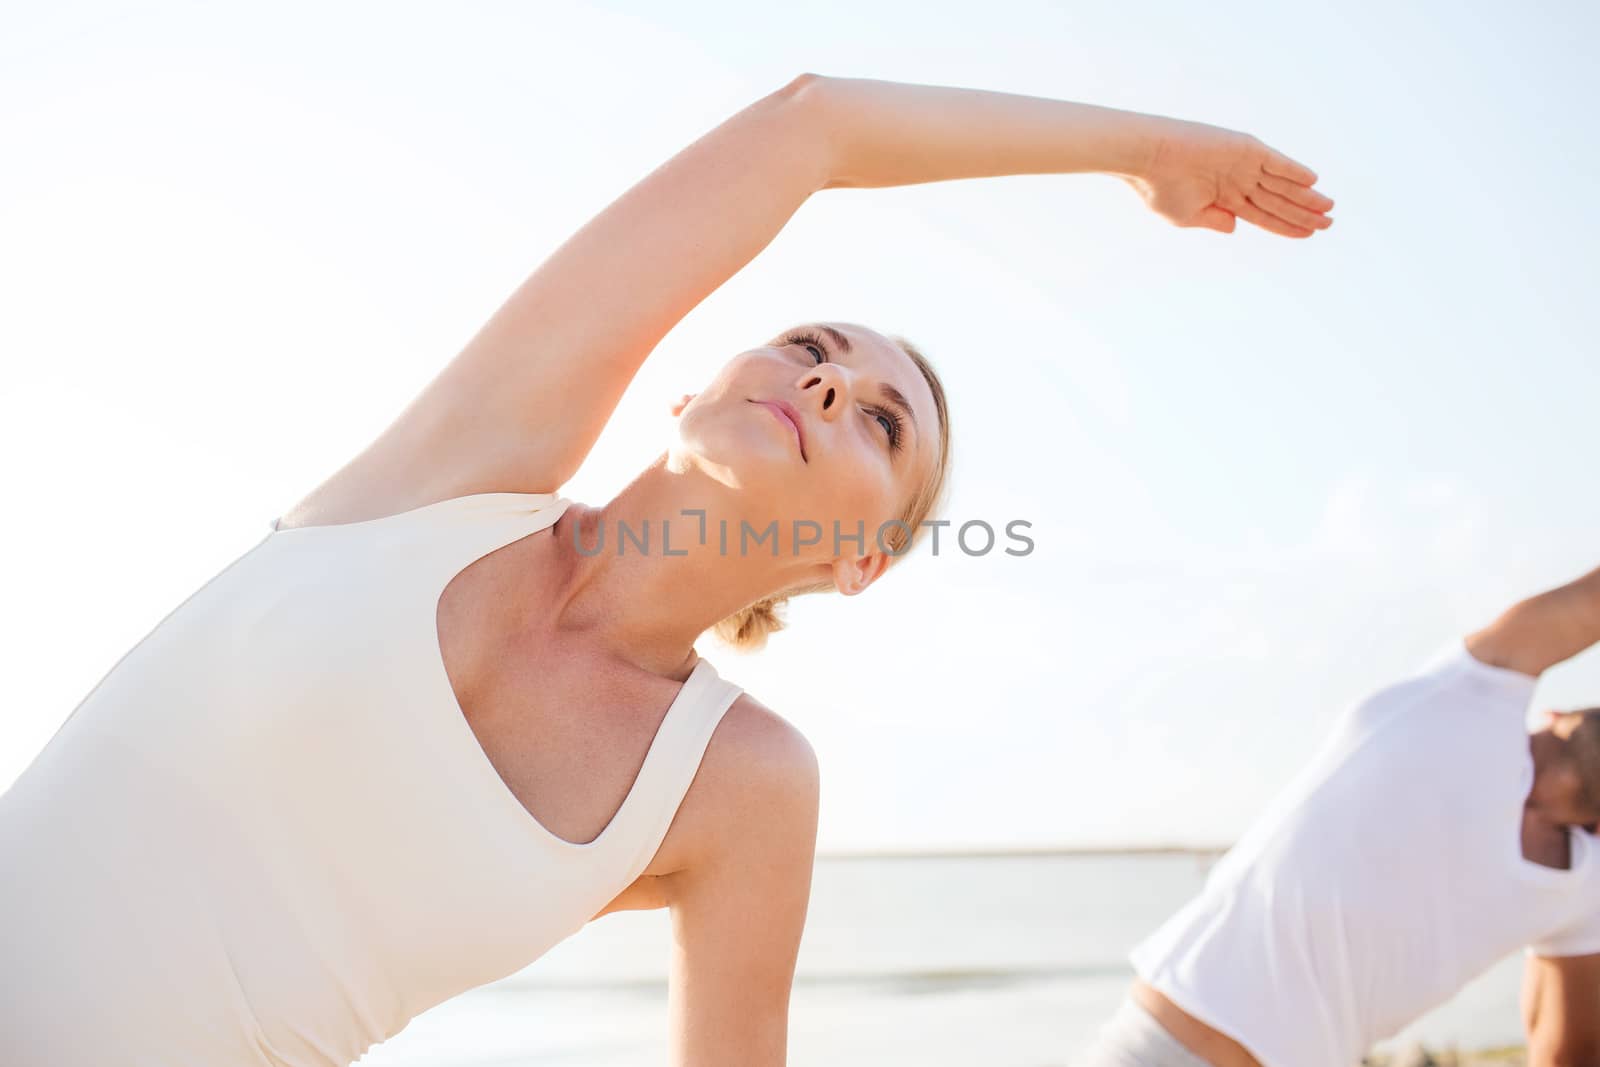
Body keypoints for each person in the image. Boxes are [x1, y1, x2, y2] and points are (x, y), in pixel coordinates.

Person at [0, 72, 1331, 1066]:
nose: (831, 378)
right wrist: (1140, 149)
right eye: (815, 344)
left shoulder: (738, 783)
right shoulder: (460, 475)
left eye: (882, 420)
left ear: (861, 557)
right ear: (698, 383)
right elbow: (810, 126)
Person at [1079, 563, 1600, 1067]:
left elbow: (1585, 605)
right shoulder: (1581, 887)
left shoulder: (1469, 698)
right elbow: (1564, 1054)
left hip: (1167, 1041)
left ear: (1554, 716)